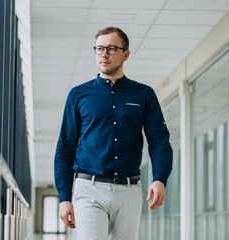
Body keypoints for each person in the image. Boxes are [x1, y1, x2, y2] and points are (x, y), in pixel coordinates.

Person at [54, 26, 173, 240]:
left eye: (111, 48)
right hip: (88, 189)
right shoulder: (78, 95)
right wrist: (64, 198)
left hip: (129, 190)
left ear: (125, 54)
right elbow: (65, 147)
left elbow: (159, 140)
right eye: (99, 48)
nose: (104, 54)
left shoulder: (144, 94)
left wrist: (160, 179)